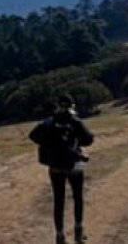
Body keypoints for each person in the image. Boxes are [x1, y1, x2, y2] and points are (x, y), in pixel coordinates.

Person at [29, 95, 94, 244]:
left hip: (55, 166)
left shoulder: (49, 121)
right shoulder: (74, 121)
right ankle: (78, 232)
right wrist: (76, 143)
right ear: (72, 106)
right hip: (74, 165)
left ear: (57, 105)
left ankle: (59, 235)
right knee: (78, 198)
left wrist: (47, 145)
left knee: (59, 201)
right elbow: (89, 139)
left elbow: (32, 135)